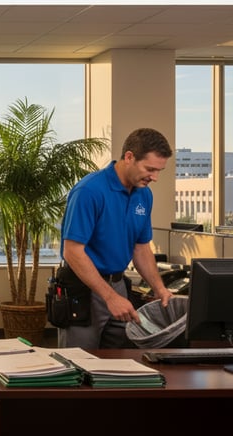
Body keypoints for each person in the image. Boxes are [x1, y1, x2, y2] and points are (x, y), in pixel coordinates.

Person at [57, 127, 174, 349]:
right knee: (80, 365)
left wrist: (159, 288)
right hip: (85, 289)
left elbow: (141, 248)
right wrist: (110, 298)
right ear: (129, 157)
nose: (155, 177)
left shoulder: (144, 194)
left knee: (124, 365)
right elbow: (72, 251)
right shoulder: (89, 191)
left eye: (160, 171)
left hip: (119, 286)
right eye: (150, 169)